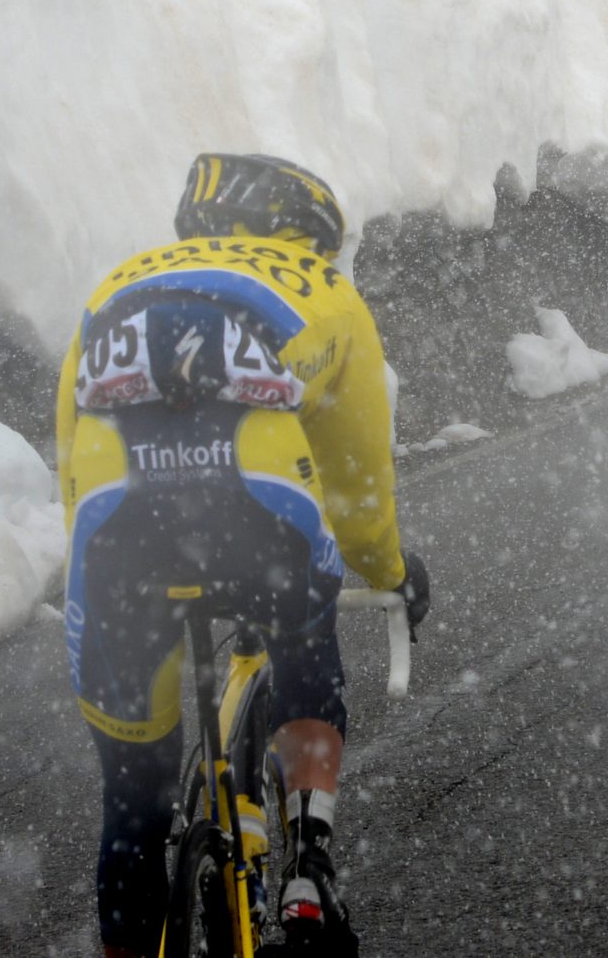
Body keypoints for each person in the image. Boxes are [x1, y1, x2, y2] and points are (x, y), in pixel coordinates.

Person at [56, 153, 431, 958]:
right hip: (254, 509)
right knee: (303, 631)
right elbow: (358, 481)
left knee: (133, 800)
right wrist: (389, 572)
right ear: (305, 231)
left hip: (117, 522)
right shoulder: (324, 287)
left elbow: (70, 458)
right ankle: (308, 871)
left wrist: (101, 577)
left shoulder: (119, 282)